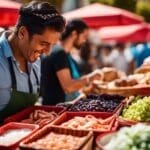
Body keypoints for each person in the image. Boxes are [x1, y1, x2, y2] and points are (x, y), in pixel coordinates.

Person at [0, 0, 65, 120]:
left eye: (52, 45)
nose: (47, 52)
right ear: (22, 33)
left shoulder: (35, 58)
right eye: (43, 43)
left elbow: (27, 106)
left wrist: (36, 112)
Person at [41, 19, 102, 105]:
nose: (84, 41)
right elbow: (68, 87)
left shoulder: (67, 55)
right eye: (84, 36)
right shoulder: (59, 53)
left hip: (64, 107)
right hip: (55, 110)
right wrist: (90, 78)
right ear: (74, 34)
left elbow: (74, 84)